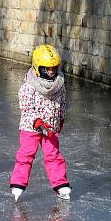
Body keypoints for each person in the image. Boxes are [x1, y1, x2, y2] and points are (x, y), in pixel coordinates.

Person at [9, 44, 71, 202]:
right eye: (47, 69)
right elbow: (27, 108)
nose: (51, 72)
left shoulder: (59, 84)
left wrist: (61, 119)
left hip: (50, 128)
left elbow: (62, 103)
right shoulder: (29, 86)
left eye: (53, 68)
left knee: (53, 155)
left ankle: (60, 184)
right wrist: (37, 122)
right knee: (26, 154)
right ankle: (18, 184)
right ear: (38, 67)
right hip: (31, 127)